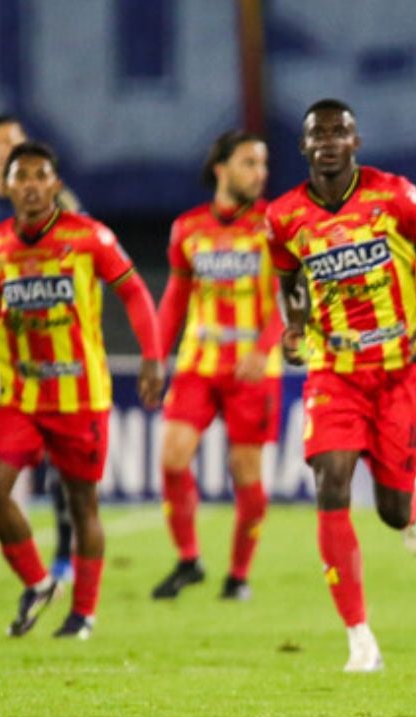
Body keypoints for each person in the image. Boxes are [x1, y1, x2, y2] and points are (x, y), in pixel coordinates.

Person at [266, 99, 416, 672]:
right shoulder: (283, 217)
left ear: (355, 143)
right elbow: (288, 278)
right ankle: (359, 637)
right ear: (304, 146)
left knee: (392, 511)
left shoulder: (394, 196)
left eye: (340, 132)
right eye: (318, 133)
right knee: (330, 484)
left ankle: (411, 498)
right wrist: (294, 326)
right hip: (334, 371)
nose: (329, 141)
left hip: (398, 370)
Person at [0, 142, 164, 639]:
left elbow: (134, 291)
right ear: (7, 187)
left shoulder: (89, 237)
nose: (30, 185)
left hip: (80, 398)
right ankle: (39, 582)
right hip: (22, 398)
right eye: (20, 177)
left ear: (55, 184)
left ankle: (82, 614)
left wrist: (153, 356)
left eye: (39, 175)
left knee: (81, 503)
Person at [149, 131, 282, 602]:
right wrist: (155, 356)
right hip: (198, 363)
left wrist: (263, 348)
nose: (260, 173)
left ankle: (238, 575)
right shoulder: (187, 228)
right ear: (221, 169)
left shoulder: (274, 224)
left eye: (263, 163)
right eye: (249, 162)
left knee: (245, 473)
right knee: (171, 457)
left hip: (253, 371)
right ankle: (189, 561)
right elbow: (175, 297)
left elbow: (290, 297)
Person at [0, 114, 79, 581]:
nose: (2, 148)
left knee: (57, 449)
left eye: (11, 141)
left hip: (46, 343)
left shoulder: (59, 201)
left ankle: (64, 556)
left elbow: (85, 262)